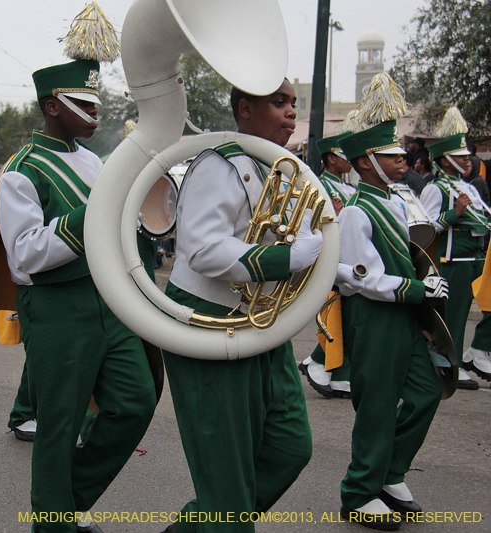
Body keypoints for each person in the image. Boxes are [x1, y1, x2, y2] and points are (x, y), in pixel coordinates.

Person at [0, 58, 156, 532]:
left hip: (110, 300)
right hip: (56, 307)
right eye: (83, 105)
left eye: (96, 104)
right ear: (51, 106)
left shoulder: (93, 161)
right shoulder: (20, 172)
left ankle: (66, 503)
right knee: (59, 425)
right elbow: (24, 256)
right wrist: (89, 217)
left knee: (136, 403)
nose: (95, 114)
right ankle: (52, 523)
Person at [161, 80, 319, 533]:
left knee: (291, 446)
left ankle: (198, 526)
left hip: (261, 323)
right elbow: (204, 251)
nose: (291, 112)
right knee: (225, 471)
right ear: (245, 109)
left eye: (292, 104)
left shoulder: (287, 169)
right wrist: (287, 258)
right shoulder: (218, 164)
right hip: (208, 322)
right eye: (279, 103)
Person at [336, 118, 443, 529]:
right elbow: (364, 278)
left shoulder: (397, 201)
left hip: (402, 314)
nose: (403, 160)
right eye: (391, 156)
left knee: (426, 392)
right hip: (375, 315)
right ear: (366, 162)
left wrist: (428, 281)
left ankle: (391, 470)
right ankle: (359, 492)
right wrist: (421, 291)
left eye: (401, 154)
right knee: (377, 406)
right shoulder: (357, 212)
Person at [420, 108, 489, 390]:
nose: (467, 160)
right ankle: (453, 363)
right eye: (461, 157)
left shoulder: (468, 186)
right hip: (453, 258)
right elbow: (425, 227)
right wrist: (454, 214)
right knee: (456, 314)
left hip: (477, 255)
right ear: (445, 161)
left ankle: (477, 350)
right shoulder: (436, 188)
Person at [299, 132, 355, 398]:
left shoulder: (349, 188)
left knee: (347, 313)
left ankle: (331, 368)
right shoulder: (320, 185)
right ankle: (320, 362)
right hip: (330, 255)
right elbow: (307, 224)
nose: (350, 162)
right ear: (331, 158)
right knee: (337, 311)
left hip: (350, 254)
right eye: (344, 156)